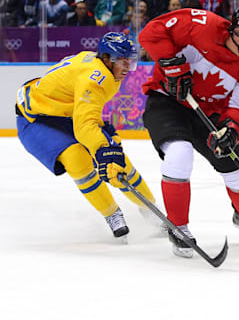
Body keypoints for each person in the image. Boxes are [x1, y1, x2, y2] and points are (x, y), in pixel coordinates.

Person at [138, 5, 239, 258]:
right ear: (237, 33)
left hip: (210, 113)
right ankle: (178, 227)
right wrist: (172, 65)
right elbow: (151, 32)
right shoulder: (199, 24)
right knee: (179, 154)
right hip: (167, 101)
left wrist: (231, 128)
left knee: (237, 169)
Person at [15, 32, 160, 240]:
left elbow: (84, 114)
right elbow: (84, 125)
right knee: (78, 159)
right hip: (34, 119)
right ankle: (112, 213)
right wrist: (103, 148)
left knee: (118, 160)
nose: (128, 68)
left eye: (131, 62)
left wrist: (108, 148)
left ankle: (149, 208)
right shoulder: (96, 77)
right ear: (108, 59)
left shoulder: (105, 68)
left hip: (62, 112)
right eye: (123, 61)